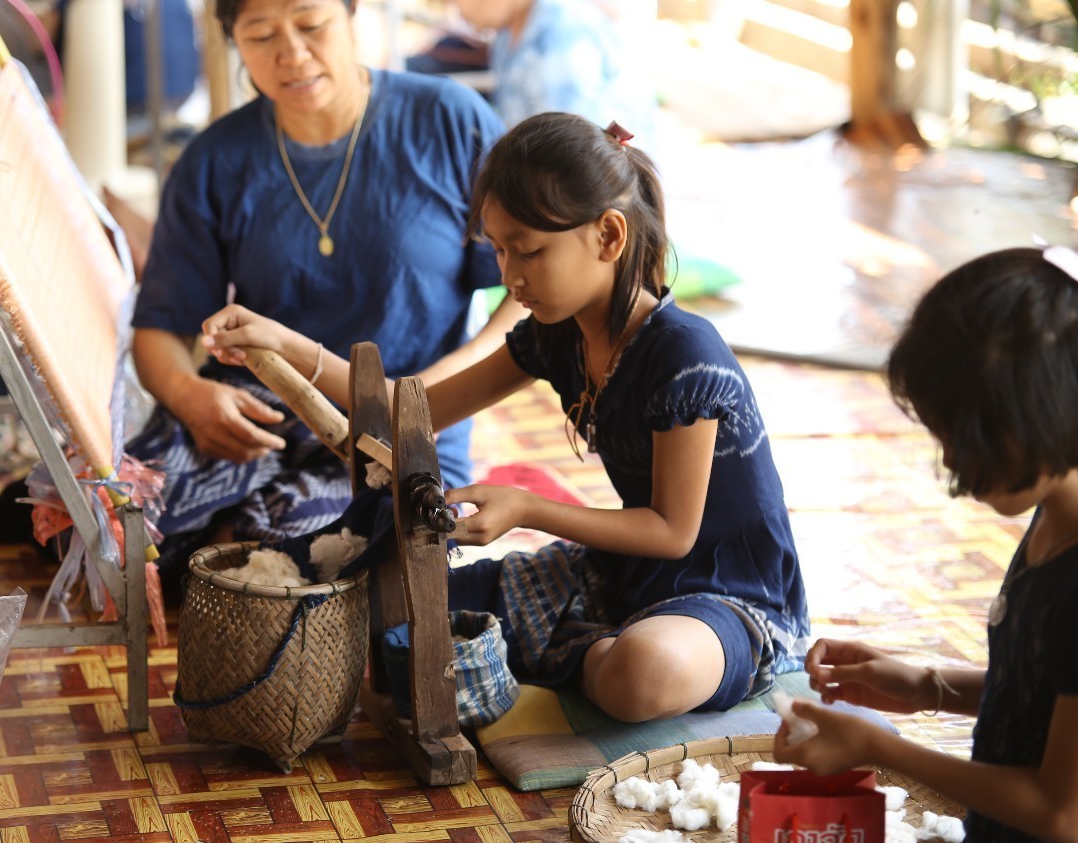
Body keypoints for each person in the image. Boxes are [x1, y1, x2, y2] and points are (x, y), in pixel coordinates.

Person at [199, 112, 810, 723]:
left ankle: (576, 653)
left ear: (609, 236)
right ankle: (572, 645)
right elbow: (407, 409)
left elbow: (674, 532)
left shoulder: (684, 354)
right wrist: (283, 342)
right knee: (398, 613)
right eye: (497, 249)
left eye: (530, 250)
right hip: (619, 576)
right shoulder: (555, 336)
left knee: (645, 673)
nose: (510, 276)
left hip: (728, 596)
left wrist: (528, 510)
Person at [127, 0, 523, 585]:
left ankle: (222, 546)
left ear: (352, 15)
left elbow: (525, 294)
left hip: (404, 429)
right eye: (261, 35)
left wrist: (430, 396)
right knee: (120, 516)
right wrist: (190, 397)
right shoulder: (214, 160)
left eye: (311, 25)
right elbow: (160, 327)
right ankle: (209, 547)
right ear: (234, 40)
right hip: (264, 409)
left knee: (318, 546)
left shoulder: (449, 121)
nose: (291, 53)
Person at [774, 245, 1078, 843]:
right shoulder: (1053, 514)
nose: (952, 464)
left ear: (1036, 417)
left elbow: (1062, 813)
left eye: (964, 441)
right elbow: (1042, 694)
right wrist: (926, 685)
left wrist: (882, 748)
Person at [447, 0, 655, 146]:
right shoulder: (507, 37)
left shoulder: (559, 32)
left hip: (586, 188)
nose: (458, 11)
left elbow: (569, 143)